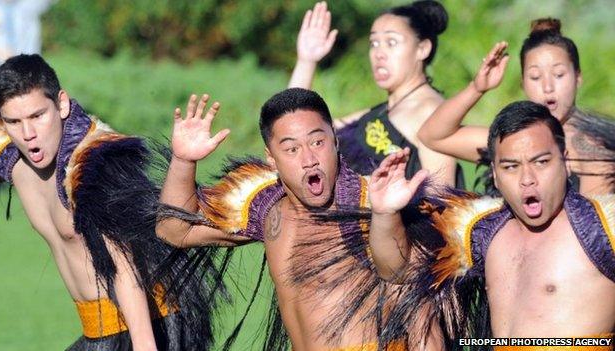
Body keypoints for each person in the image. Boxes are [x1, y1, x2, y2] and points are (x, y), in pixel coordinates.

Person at [156, 88, 443, 350]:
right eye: (292, 149)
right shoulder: (267, 210)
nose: (309, 159)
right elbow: (173, 231)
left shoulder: (370, 207)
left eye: (317, 142)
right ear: (271, 158)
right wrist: (183, 161)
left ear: (335, 139)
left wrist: (386, 215)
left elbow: (419, 309)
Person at [0, 54, 217, 350]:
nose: (29, 134)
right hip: (97, 334)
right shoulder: (12, 157)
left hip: (148, 327)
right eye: (14, 122)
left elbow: (123, 261)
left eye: (37, 116)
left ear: (61, 104)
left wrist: (144, 345)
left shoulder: (95, 162)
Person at [366, 100, 615, 346]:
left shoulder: (603, 226)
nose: (527, 179)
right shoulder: (482, 230)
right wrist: (385, 214)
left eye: (541, 162)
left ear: (566, 161)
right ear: (495, 174)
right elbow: (397, 271)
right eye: (511, 166)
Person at [418, 19, 615, 196]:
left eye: (559, 74)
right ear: (523, 84)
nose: (548, 87)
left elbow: (593, 227)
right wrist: (476, 88)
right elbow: (433, 136)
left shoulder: (592, 149)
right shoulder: (511, 140)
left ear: (578, 77)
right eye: (535, 77)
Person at [288, 1, 462, 187]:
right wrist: (306, 61)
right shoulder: (381, 112)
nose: (379, 53)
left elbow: (441, 200)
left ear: (422, 49)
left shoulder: (430, 111)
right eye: (374, 43)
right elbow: (298, 131)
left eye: (391, 42)